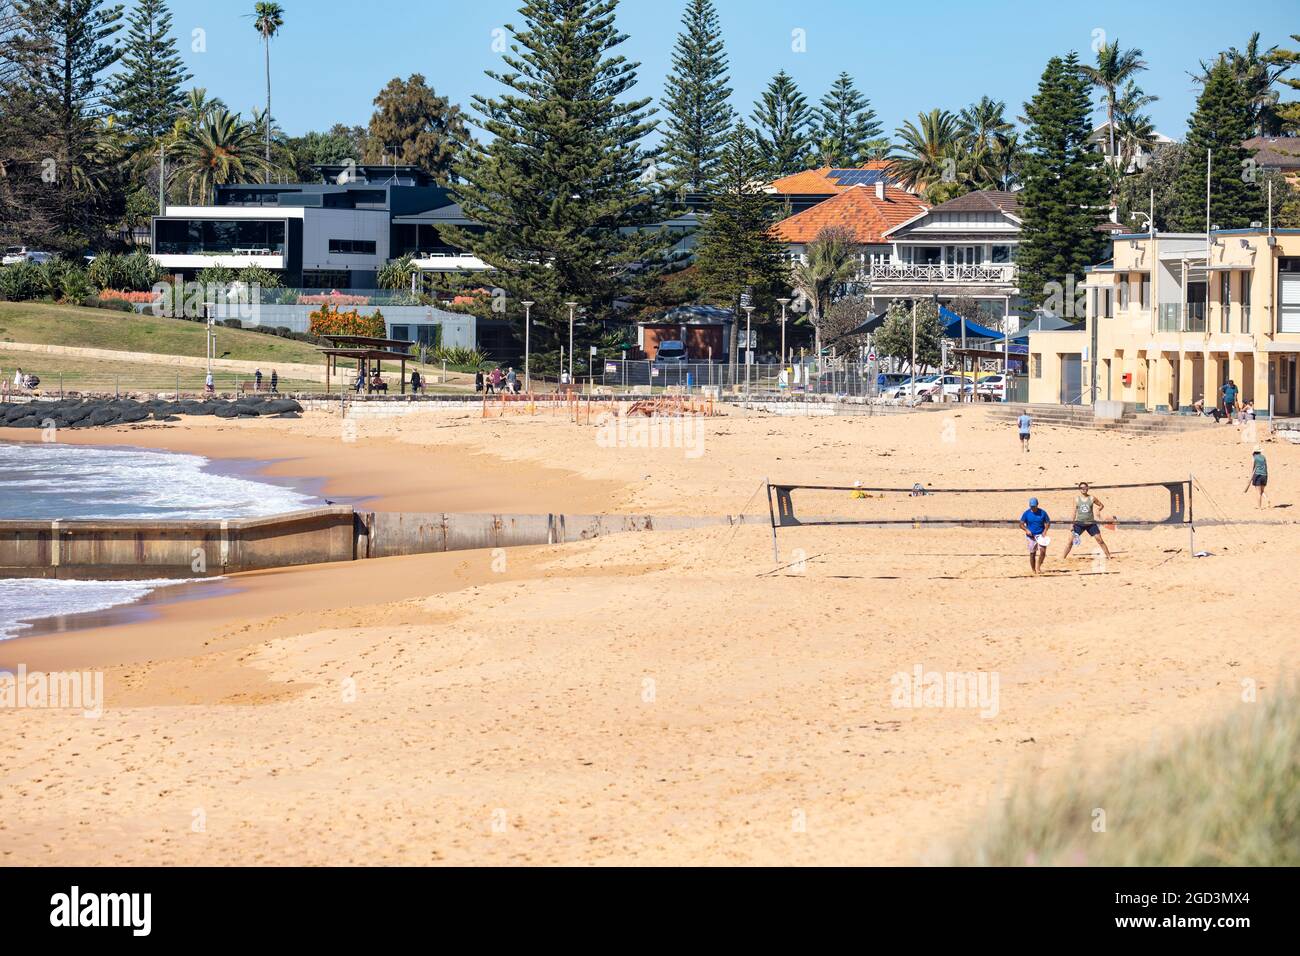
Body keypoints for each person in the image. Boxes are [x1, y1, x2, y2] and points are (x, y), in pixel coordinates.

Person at [1062, 481, 1113, 562]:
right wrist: (1071, 524)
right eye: (1082, 488)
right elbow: (1074, 512)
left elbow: (1101, 505)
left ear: (1087, 488)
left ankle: (1109, 557)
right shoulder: (1076, 499)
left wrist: (1098, 510)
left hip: (1091, 523)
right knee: (1070, 541)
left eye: (1085, 488)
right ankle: (1062, 558)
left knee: (1099, 540)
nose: (1083, 489)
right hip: (1079, 523)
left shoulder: (1092, 498)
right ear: (1079, 489)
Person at [1019, 497, 1052, 575]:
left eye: (1034, 506)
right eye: (1031, 506)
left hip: (1041, 535)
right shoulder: (1026, 513)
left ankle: (1038, 566)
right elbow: (1021, 524)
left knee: (1043, 552)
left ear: (1037, 505)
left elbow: (1048, 522)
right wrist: (1026, 530)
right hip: (1031, 537)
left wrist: (1045, 531)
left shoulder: (1043, 513)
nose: (1033, 508)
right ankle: (1033, 570)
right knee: (1032, 553)